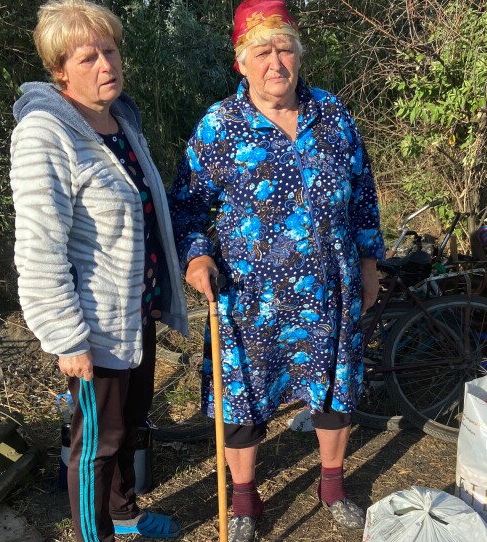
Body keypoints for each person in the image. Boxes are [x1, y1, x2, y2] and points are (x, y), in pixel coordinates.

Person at [168, 0, 384, 539]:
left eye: (284, 48)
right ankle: (244, 502)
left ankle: (331, 485)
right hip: (249, 295)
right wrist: (196, 255)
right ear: (241, 62)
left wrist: (369, 262)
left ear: (298, 54)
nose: (275, 62)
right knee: (243, 400)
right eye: (261, 51)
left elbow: (363, 197)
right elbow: (186, 206)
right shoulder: (219, 127)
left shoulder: (332, 114)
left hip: (330, 287)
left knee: (333, 393)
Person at [9, 1, 188, 540]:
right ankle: (96, 535)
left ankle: (126, 516)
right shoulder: (47, 133)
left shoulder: (120, 122)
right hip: (94, 325)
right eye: (88, 57)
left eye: (110, 51)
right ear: (59, 70)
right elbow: (39, 247)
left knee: (130, 427)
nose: (106, 65)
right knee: (98, 444)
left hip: (136, 310)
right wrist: (66, 337)